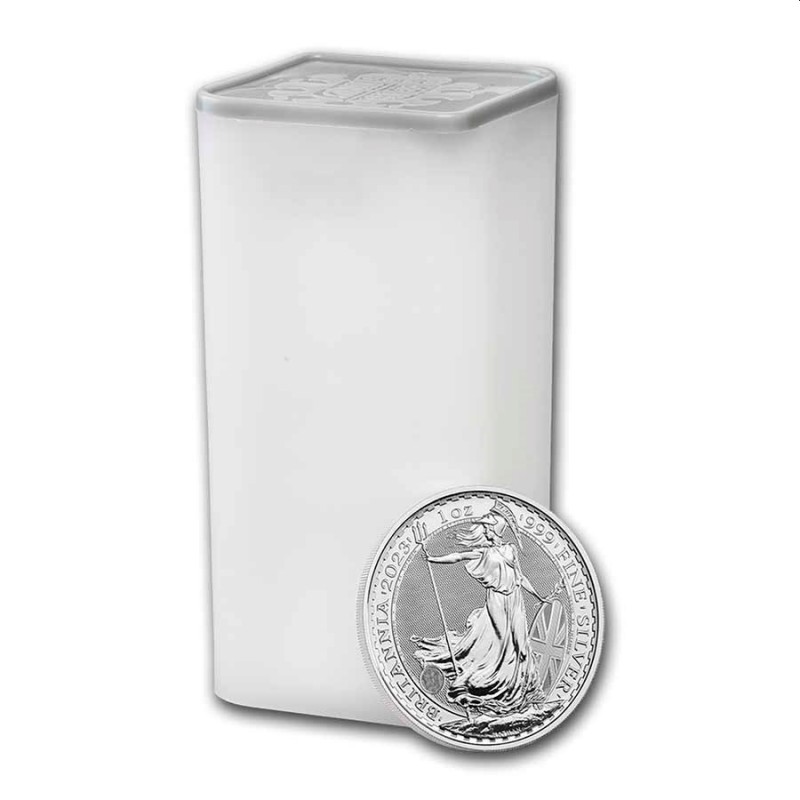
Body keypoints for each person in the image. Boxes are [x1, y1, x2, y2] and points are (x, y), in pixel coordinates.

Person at [413, 505, 562, 718]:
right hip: (497, 602)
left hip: (515, 601)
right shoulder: (482, 552)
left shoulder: (510, 549)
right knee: (500, 645)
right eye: (485, 528)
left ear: (497, 529)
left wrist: (539, 597)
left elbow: (520, 578)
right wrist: (432, 559)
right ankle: (497, 690)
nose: (486, 531)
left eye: (489, 528)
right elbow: (457, 556)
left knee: (519, 645)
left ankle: (522, 693)